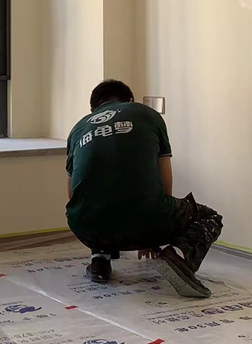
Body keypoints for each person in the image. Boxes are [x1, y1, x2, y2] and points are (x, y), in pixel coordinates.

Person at [65, 79, 222, 297]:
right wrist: (152, 230)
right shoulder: (148, 115)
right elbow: (165, 182)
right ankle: (178, 257)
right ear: (130, 100)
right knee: (210, 217)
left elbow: (73, 194)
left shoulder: (78, 128)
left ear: (93, 109)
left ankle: (99, 259)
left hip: (84, 225)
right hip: (146, 215)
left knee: (98, 200)